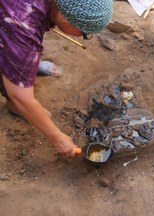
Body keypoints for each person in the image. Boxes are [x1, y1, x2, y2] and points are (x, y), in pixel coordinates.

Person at [0, 0, 113, 157]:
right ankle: (14, 96)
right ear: (64, 16)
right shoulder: (22, 25)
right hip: (10, 22)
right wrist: (57, 138)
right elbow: (21, 97)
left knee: (21, 48)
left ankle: (25, 62)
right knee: (18, 91)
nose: (84, 36)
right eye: (85, 33)